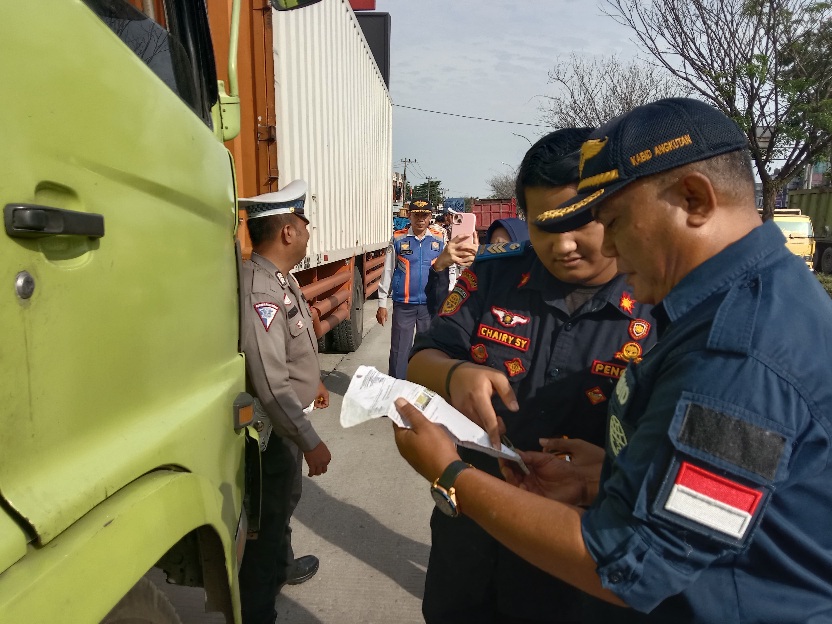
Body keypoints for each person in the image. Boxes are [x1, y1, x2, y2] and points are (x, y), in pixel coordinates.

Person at [392, 98, 832, 623]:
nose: (610, 249)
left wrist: (449, 474)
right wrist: (615, 473)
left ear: (693, 199)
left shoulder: (740, 352)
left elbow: (634, 562)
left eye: (613, 221)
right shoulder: (741, 306)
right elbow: (712, 503)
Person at [407, 128, 656, 624]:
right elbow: (422, 356)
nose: (563, 244)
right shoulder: (495, 276)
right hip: (473, 521)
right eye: (545, 225)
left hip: (577, 544)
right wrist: (456, 374)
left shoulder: (658, 298)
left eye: (580, 221)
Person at [237, 180, 332, 624]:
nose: (309, 233)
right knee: (267, 520)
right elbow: (270, 381)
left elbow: (294, 347)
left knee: (284, 500)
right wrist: (310, 439)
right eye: (304, 225)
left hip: (286, 421)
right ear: (288, 232)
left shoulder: (277, 278)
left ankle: (283, 565)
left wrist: (313, 382)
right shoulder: (261, 288)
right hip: (274, 428)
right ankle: (259, 610)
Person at [376, 200, 447, 378]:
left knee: (429, 351)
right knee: (400, 351)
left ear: (430, 217)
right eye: (416, 215)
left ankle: (425, 388)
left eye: (424, 215)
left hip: (429, 307)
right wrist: (382, 303)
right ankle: (397, 388)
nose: (420, 219)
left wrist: (449, 298)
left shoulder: (439, 239)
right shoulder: (398, 238)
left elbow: (449, 268)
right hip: (404, 305)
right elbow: (388, 270)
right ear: (410, 215)